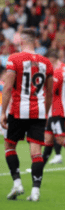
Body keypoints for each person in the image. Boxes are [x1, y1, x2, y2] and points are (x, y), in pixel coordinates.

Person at [1, 29, 54, 201]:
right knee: (36, 152)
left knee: (9, 146)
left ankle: (17, 183)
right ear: (35, 42)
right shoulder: (46, 62)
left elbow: (7, 88)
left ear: (22, 41)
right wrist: (44, 113)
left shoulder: (14, 59)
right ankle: (35, 191)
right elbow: (50, 92)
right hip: (38, 111)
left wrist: (3, 112)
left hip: (18, 110)